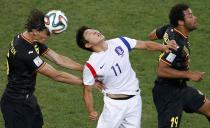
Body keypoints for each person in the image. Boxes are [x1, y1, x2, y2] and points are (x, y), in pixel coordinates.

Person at [75, 26, 177, 128]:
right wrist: (91, 111)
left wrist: (163, 47)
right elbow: (87, 90)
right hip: (114, 106)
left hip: (135, 101)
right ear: (88, 44)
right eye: (90, 33)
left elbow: (145, 45)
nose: (96, 31)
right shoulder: (91, 65)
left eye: (94, 30)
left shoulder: (120, 41)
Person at [0, 9, 83, 128]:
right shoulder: (24, 50)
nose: (49, 36)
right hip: (16, 104)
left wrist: (84, 68)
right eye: (47, 33)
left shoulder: (31, 40)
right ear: (35, 31)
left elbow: (58, 58)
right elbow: (56, 75)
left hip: (28, 98)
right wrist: (84, 81)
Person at [150, 3, 210, 128]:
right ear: (181, 22)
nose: (195, 18)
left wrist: (164, 44)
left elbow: (152, 35)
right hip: (168, 94)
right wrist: (189, 74)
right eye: (190, 16)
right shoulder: (176, 45)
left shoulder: (170, 28)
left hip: (181, 88)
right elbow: (161, 70)